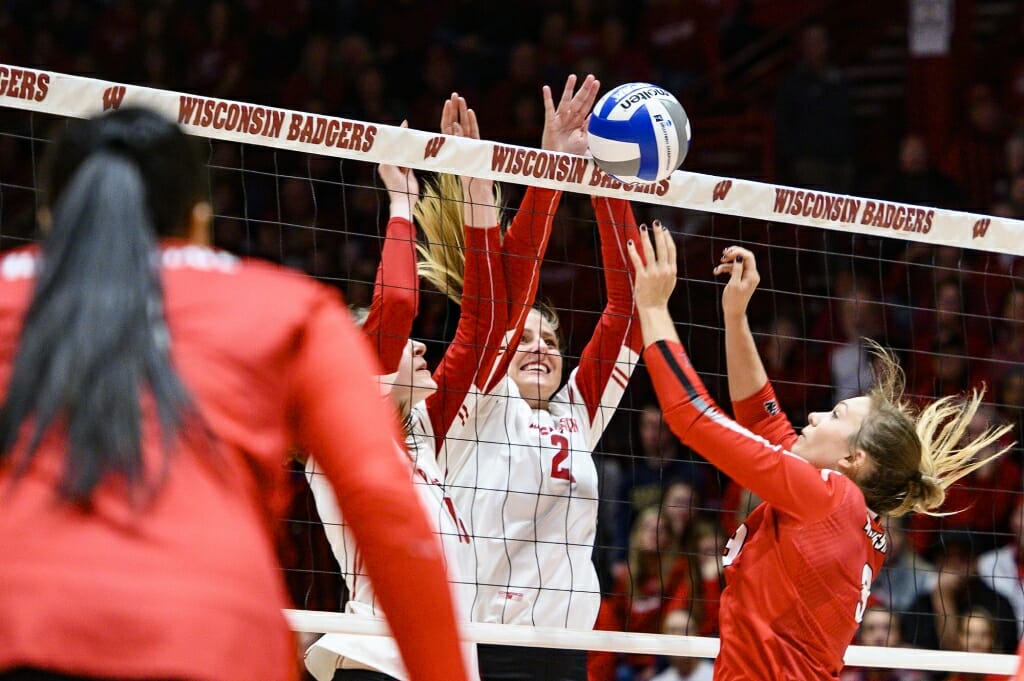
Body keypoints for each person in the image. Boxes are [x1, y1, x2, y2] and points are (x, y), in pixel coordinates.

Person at [0, 108, 470, 681]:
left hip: (25, 622)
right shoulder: (287, 308)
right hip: (214, 638)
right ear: (200, 218)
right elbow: (383, 503)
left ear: (51, 216)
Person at [625, 227, 1011, 680]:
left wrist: (651, 308)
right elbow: (764, 421)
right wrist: (735, 317)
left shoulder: (830, 498)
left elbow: (693, 418)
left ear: (854, 460)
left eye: (835, 414)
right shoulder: (851, 514)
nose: (813, 415)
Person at [424, 77, 643, 680]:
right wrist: (548, 173)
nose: (541, 347)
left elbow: (627, 313)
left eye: (552, 340)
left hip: (564, 652)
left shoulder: (578, 414)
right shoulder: (475, 402)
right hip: (479, 643)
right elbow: (497, 313)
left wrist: (606, 179)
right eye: (527, 340)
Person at [304, 153, 498, 681]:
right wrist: (401, 203)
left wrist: (480, 200)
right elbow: (397, 305)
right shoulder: (341, 430)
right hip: (378, 659)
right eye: (397, 344)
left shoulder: (423, 431)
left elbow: (482, 325)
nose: (419, 345)